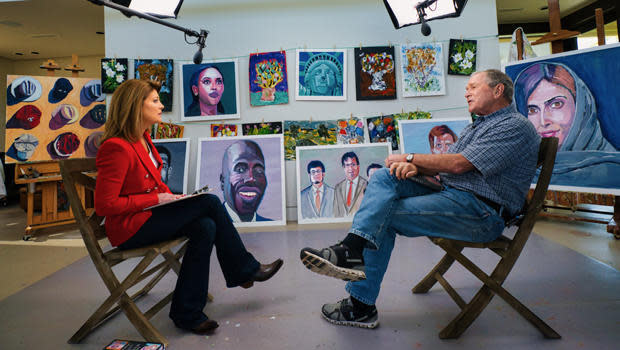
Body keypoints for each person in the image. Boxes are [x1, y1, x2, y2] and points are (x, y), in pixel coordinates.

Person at [299, 69, 540, 329]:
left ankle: (360, 305)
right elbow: (445, 167)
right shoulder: (478, 126)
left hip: (481, 213)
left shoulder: (514, 126)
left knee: (383, 215)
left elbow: (458, 164)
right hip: (453, 196)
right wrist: (417, 169)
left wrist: (411, 159)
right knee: (384, 177)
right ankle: (351, 248)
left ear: (498, 90)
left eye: (472, 86)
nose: (466, 92)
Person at [95, 79, 282, 335]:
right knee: (211, 202)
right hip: (130, 229)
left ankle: (187, 313)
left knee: (205, 226)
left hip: (150, 217)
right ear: (135, 106)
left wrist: (176, 198)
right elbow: (105, 205)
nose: (161, 106)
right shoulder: (115, 147)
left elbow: (154, 186)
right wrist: (157, 200)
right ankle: (244, 269)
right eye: (155, 101)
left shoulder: (145, 140)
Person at [513, 62, 619, 188]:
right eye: (532, 110)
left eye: (556, 104)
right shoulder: (520, 170)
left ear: (581, 107)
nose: (543, 121)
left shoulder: (613, 171)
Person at [220, 140, 272, 222]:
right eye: (240, 169)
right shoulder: (210, 227)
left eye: (259, 171)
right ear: (223, 182)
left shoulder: (270, 225)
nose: (251, 178)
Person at [333, 152, 368, 217]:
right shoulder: (338, 187)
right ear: (343, 167)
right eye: (347, 165)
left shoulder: (366, 184)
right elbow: (336, 212)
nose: (351, 168)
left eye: (353, 164)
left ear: (358, 166)